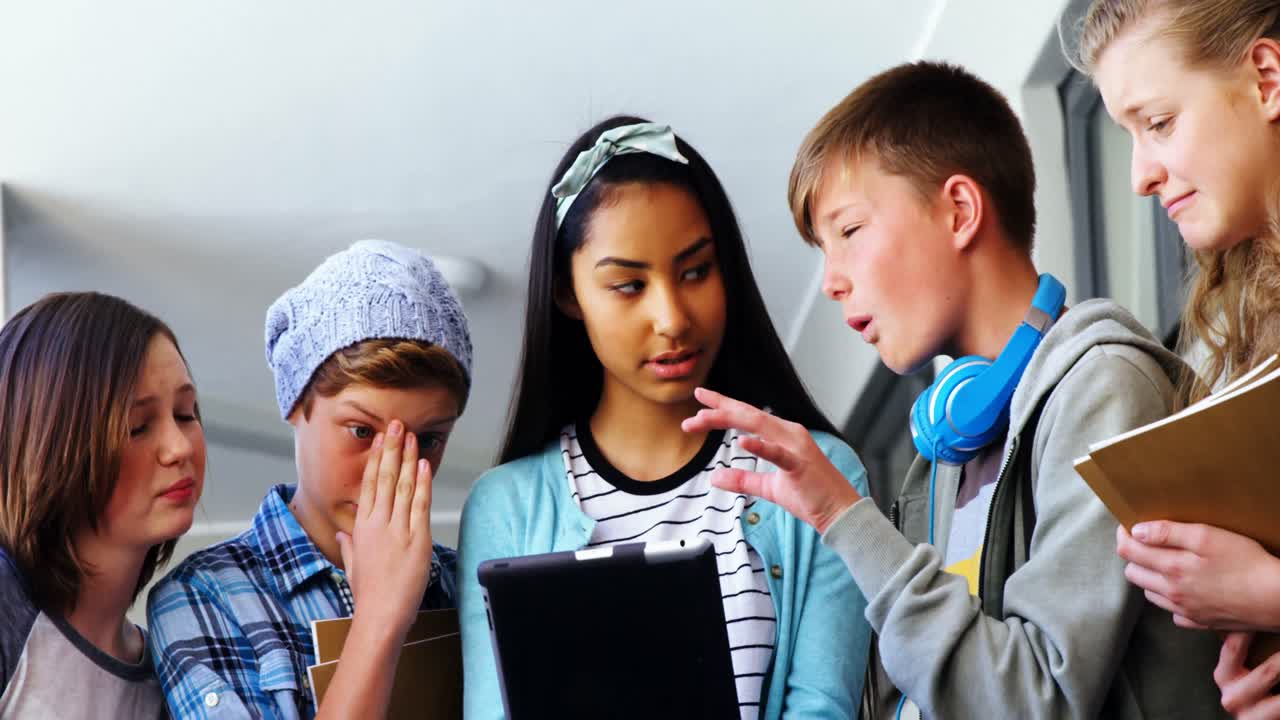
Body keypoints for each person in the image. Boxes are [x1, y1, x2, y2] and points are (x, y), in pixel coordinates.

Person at [682, 62, 1226, 718]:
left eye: (849, 232)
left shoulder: (1104, 388)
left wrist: (844, 518)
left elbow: (1034, 701)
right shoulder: (945, 455)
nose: (832, 281)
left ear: (960, 211)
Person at [458, 117, 871, 719]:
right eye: (628, 285)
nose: (672, 318)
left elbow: (823, 708)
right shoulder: (505, 507)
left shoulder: (817, 471)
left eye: (696, 271)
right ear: (567, 293)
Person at [148, 239, 471, 719]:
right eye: (362, 431)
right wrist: (380, 618)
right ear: (297, 403)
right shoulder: (202, 597)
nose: (392, 469)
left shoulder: (469, 583)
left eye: (427, 441)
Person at [1077, 1, 1280, 715]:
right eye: (1128, 135)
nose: (1138, 176)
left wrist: (1260, 592)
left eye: (1158, 123)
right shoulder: (1251, 325)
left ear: (1266, 78)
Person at [0, 292, 205, 719]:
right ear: (53, 442)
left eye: (186, 414)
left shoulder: (172, 672)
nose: (179, 447)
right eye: (138, 426)